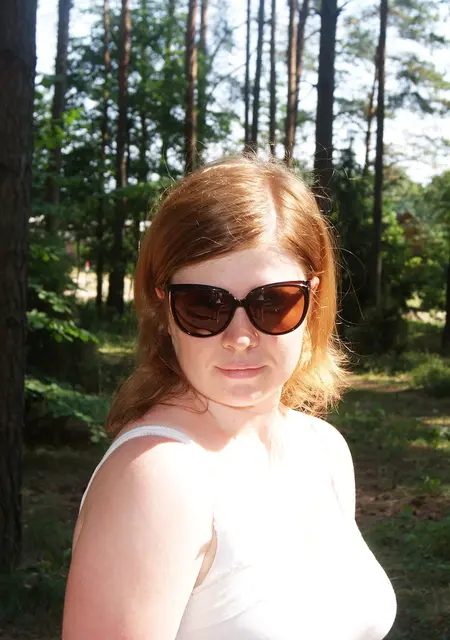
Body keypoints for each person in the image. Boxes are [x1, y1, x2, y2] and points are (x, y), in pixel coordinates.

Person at [62, 155, 397, 639]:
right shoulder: (159, 478)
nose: (240, 337)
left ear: (313, 298)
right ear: (163, 308)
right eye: (204, 304)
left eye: (273, 302)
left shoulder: (323, 449)